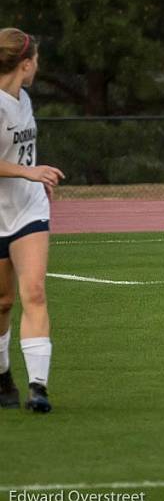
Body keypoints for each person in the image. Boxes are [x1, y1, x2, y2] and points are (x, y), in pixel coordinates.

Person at [0, 29, 64, 413]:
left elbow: (23, 153)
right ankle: (3, 376)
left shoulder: (23, 98)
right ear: (25, 63)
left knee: (34, 292)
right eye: (36, 60)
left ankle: (38, 388)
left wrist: (36, 177)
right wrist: (29, 172)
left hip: (28, 210)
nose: (38, 66)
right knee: (2, 302)